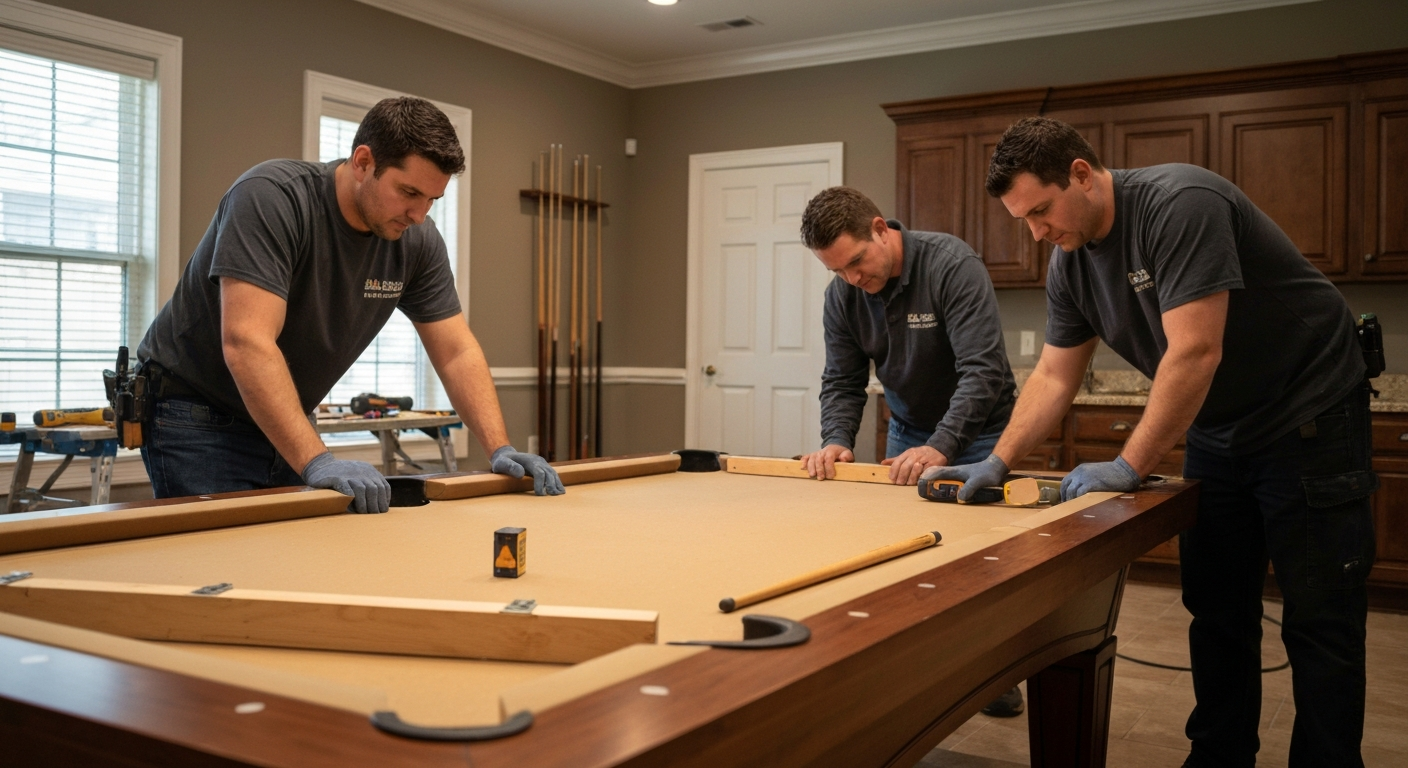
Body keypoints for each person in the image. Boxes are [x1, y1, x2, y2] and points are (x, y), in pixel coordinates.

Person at [929, 116, 1375, 767]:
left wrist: (1131, 462)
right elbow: (1055, 375)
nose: (1037, 232)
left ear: (1082, 174)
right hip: (1221, 431)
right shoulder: (1071, 264)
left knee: (1320, 620)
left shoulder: (1179, 205)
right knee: (1217, 611)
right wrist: (997, 461)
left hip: (1311, 416)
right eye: (1023, 219)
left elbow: (1195, 350)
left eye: (1042, 211)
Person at [136, 97, 563, 513]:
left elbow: (456, 351)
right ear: (363, 162)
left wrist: (500, 447)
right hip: (196, 414)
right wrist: (318, 461)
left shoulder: (416, 240)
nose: (419, 214)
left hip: (287, 414)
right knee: (224, 571)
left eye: (433, 199)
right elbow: (247, 342)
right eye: (409, 192)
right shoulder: (271, 197)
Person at [797, 186, 1025, 717]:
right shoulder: (844, 296)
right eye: (838, 271)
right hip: (906, 434)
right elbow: (843, 381)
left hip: (983, 433)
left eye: (857, 261)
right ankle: (920, 672)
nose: (853, 278)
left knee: (980, 565)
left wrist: (942, 446)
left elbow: (983, 372)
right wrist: (836, 439)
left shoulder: (950, 265)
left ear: (881, 229)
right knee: (908, 564)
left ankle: (995, 671)